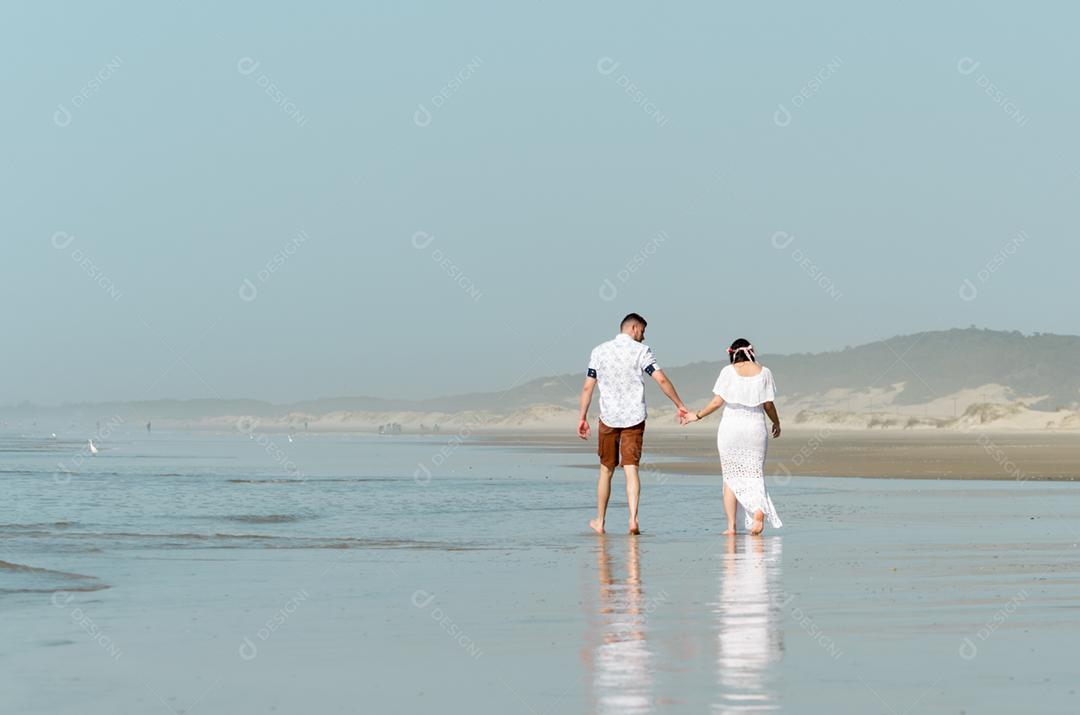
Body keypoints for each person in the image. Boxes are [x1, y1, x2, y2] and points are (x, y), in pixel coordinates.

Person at [578, 313, 689, 534]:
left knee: (605, 470)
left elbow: (588, 387)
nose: (644, 337)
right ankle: (633, 520)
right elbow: (661, 379)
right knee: (631, 470)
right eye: (643, 332)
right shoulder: (642, 352)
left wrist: (582, 417)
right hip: (634, 418)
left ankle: (600, 522)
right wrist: (679, 404)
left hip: (608, 417)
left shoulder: (599, 351)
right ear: (634, 328)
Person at [681, 338, 783, 535]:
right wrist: (776, 422)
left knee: (730, 477)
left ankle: (731, 527)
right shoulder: (765, 372)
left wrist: (697, 415)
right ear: (751, 352)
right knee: (755, 474)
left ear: (733, 354)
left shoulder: (727, 372)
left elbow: (717, 402)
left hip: (731, 429)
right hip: (755, 428)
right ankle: (759, 511)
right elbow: (768, 405)